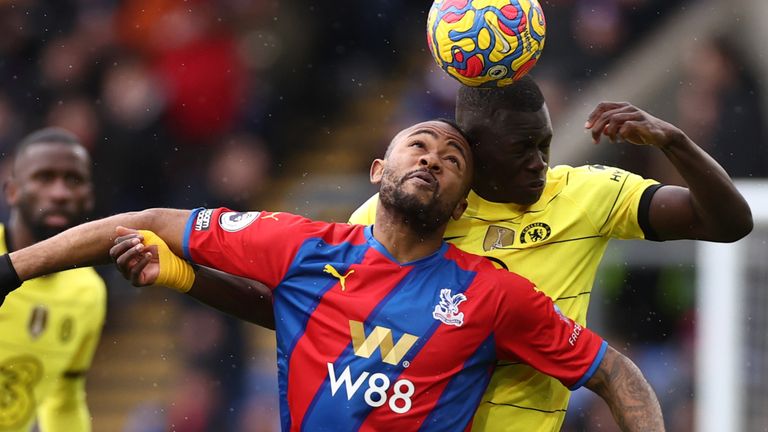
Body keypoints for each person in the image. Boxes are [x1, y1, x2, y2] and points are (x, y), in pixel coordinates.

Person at [0, 120, 665, 431]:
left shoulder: (491, 294)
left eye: (453, 158)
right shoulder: (305, 249)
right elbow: (145, 218)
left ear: (462, 203)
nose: (433, 159)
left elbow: (613, 371)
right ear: (379, 172)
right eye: (419, 147)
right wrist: (10, 269)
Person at [348, 77, 753, 431]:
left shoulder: (587, 195)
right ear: (476, 150)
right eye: (522, 149)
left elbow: (728, 222)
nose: (539, 163)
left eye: (545, 145)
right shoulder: (405, 212)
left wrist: (674, 142)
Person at [0, 128, 106, 431]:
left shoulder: (89, 291)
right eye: (44, 178)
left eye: (73, 180)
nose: (59, 193)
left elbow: (66, 398)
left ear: (89, 196)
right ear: (12, 192)